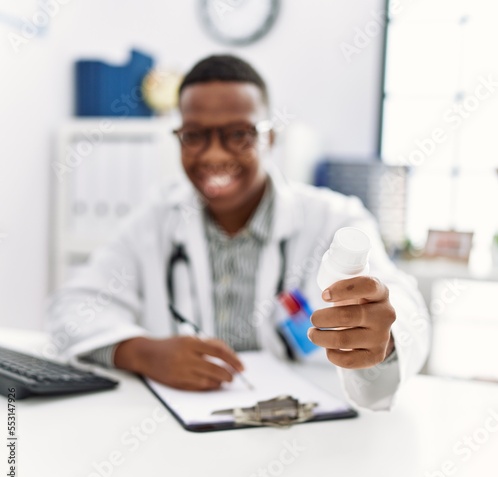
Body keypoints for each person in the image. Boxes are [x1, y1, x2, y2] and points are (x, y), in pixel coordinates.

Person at [46, 55, 430, 411]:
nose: (214, 155)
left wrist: (387, 335)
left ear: (270, 138)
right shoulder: (156, 219)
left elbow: (401, 302)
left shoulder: (333, 218)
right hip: (184, 432)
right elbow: (73, 306)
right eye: (194, 135)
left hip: (303, 432)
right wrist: (142, 352)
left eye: (238, 134)